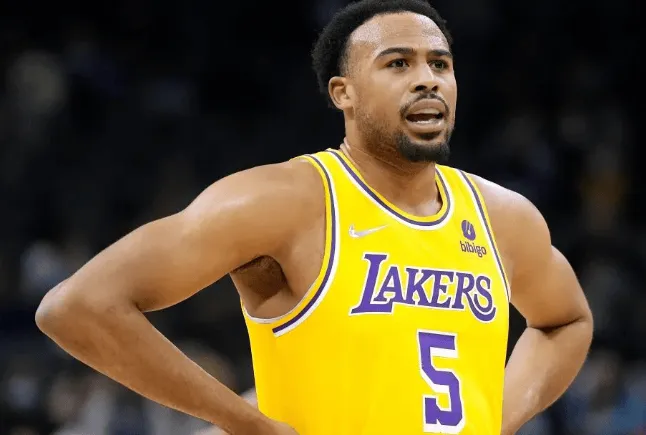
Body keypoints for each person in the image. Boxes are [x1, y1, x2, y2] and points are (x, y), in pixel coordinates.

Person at [35, 0, 593, 434]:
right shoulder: (282, 200)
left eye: (440, 63)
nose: (428, 78)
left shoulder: (503, 216)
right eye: (398, 63)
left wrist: (499, 415)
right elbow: (78, 307)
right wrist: (244, 421)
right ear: (343, 93)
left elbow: (566, 321)